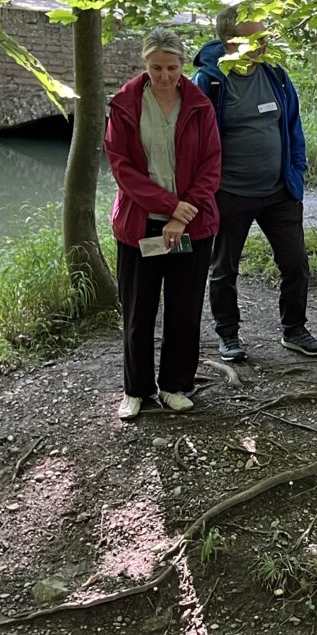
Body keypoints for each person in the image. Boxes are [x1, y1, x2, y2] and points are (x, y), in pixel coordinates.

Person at [192, 6, 317, 361]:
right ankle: (229, 336)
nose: (265, 40)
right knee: (223, 269)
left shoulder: (276, 75)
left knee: (296, 264)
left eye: (265, 33)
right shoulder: (210, 82)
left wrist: (295, 173)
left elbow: (294, 128)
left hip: (279, 192)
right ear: (230, 40)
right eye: (256, 36)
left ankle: (294, 330)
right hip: (229, 193)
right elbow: (194, 142)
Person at [105, 27, 221, 421]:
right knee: (138, 311)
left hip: (192, 226)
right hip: (140, 226)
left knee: (184, 310)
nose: (165, 76)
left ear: (182, 65)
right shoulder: (124, 105)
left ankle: (174, 385)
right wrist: (172, 207)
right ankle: (135, 389)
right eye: (156, 68)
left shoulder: (199, 105)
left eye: (171, 67)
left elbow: (211, 165)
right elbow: (123, 168)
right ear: (145, 64)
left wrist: (183, 212)